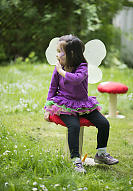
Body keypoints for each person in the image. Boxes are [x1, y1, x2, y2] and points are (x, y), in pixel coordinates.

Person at [44, 34, 119, 173]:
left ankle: (101, 153)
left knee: (104, 123)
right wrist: (47, 108)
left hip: (83, 103)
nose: (57, 55)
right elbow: (52, 88)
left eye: (60, 51)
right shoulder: (58, 68)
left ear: (71, 53)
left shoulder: (83, 66)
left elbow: (77, 79)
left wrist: (61, 71)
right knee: (74, 126)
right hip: (65, 105)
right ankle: (75, 160)